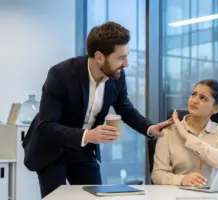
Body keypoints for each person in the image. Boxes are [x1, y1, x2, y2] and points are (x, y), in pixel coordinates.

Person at [22, 21, 173, 198]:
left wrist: (149, 128)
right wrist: (88, 135)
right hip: (52, 149)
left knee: (95, 197)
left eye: (126, 56)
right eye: (120, 57)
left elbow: (125, 109)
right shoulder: (60, 74)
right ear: (100, 57)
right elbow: (46, 125)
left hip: (84, 151)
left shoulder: (116, 75)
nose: (126, 63)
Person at [151, 79, 218, 187]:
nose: (194, 101)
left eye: (203, 98)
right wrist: (181, 179)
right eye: (193, 94)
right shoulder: (168, 132)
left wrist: (186, 136)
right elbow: (157, 175)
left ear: (216, 108)